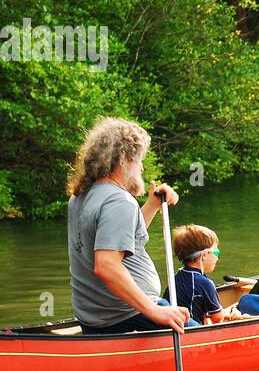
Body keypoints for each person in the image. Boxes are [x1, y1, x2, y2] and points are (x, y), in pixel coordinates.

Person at [66, 117, 189, 335]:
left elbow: (120, 237)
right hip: (129, 316)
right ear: (123, 160)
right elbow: (106, 265)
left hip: (95, 320)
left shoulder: (82, 195)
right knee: (204, 336)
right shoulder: (119, 201)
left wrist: (152, 205)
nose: (142, 167)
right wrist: (154, 310)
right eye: (139, 160)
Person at [165, 224, 244, 324]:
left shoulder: (175, 278)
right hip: (192, 332)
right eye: (216, 252)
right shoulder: (205, 283)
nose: (218, 258)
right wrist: (234, 312)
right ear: (205, 255)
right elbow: (218, 318)